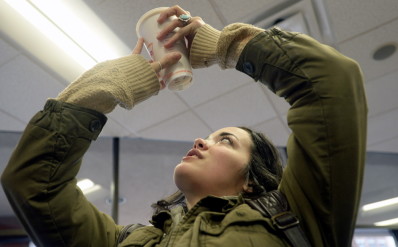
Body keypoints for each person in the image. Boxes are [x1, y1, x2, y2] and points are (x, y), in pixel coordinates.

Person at [1, 5, 367, 247]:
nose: (201, 140)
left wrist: (229, 46)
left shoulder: (301, 216)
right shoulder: (129, 241)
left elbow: (331, 81)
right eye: (211, 135)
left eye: (225, 140)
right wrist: (96, 93)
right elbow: (33, 184)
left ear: (252, 178)